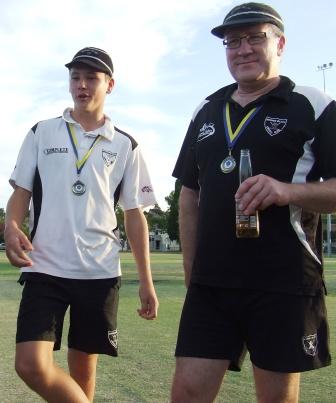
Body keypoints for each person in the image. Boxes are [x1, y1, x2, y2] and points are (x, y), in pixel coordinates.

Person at [171, 3, 335, 402]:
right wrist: (192, 268)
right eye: (232, 41)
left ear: (280, 42)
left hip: (283, 282)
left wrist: (288, 191)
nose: (242, 49)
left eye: (254, 37)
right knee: (187, 394)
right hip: (211, 284)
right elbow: (189, 195)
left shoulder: (313, 105)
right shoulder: (205, 110)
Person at [5, 46, 159, 403]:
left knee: (83, 369)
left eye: (92, 77)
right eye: (76, 76)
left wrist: (146, 283)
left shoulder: (126, 145)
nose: (82, 85)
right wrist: (12, 224)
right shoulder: (41, 132)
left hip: (99, 271)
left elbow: (135, 216)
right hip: (44, 266)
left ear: (110, 84)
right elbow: (21, 192)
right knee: (30, 364)